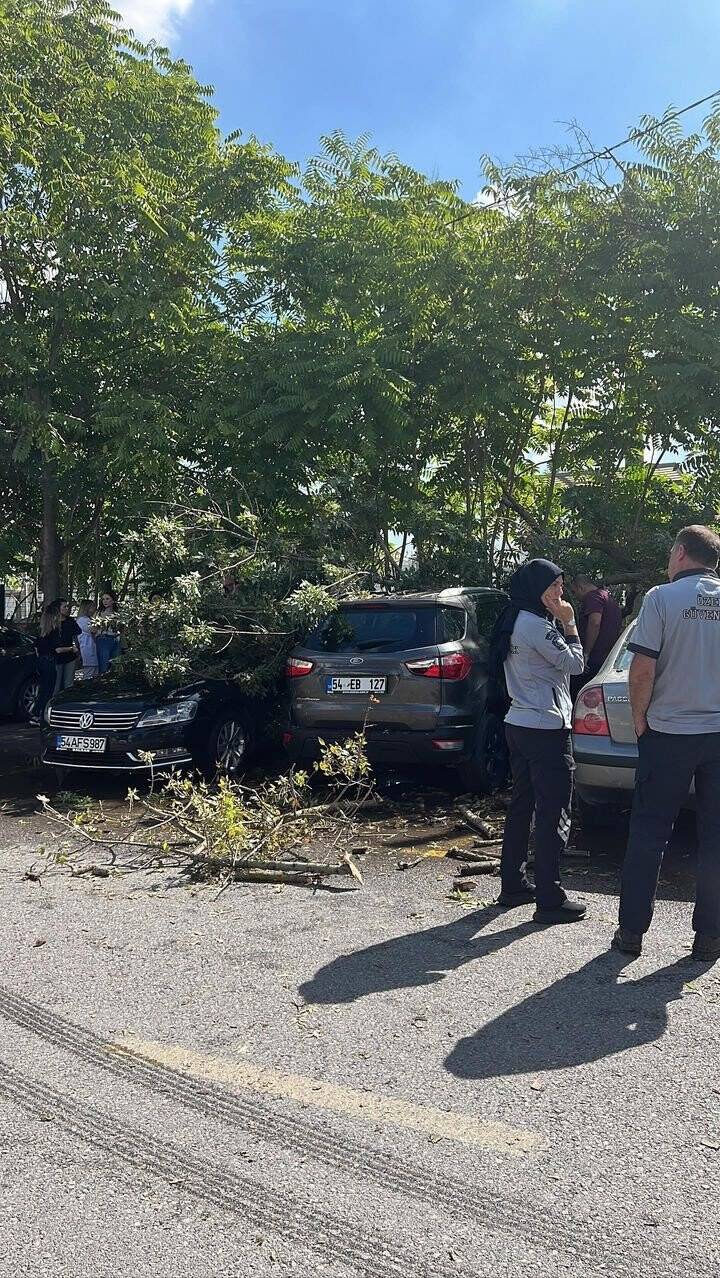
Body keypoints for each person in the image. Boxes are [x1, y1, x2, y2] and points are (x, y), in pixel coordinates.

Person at [614, 524, 720, 962]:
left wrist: (639, 719)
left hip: (669, 734)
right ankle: (710, 937)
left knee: (649, 833)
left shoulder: (661, 598)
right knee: (715, 838)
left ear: (680, 552)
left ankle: (632, 933)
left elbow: (642, 670)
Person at [489, 559, 587, 924]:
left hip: (519, 723)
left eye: (562, 586)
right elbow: (576, 664)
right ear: (536, 591)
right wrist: (571, 622)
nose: (561, 594)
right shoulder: (535, 625)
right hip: (546, 728)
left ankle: (512, 883)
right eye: (554, 588)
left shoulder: (517, 618)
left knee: (522, 806)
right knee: (553, 811)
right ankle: (550, 898)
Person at [571, 574, 623, 682]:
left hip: (593, 659)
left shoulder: (593, 597)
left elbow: (594, 622)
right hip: (607, 658)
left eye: (574, 592)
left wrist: (586, 653)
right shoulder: (608, 598)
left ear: (581, 587)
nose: (575, 596)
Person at [33, 601, 61, 723]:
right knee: (48, 689)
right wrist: (71, 648)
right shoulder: (54, 631)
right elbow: (57, 649)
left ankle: (36, 713)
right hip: (49, 660)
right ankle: (42, 715)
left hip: (41, 660)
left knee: (43, 688)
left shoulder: (40, 632)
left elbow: (36, 647)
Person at [53, 598, 81, 691]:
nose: (66, 609)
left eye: (67, 606)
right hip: (56, 657)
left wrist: (77, 650)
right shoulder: (52, 622)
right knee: (56, 685)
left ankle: (68, 704)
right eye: (64, 607)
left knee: (68, 684)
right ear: (58, 608)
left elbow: (76, 636)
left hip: (70, 656)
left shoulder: (70, 621)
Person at [96, 589, 120, 673]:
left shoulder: (118, 613)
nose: (105, 601)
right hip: (103, 639)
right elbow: (91, 629)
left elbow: (122, 630)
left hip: (116, 639)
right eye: (103, 599)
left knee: (116, 664)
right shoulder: (99, 613)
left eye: (107, 599)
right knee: (104, 665)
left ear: (113, 600)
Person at [76, 600, 99, 679]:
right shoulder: (83, 620)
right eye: (92, 607)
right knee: (89, 673)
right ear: (87, 608)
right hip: (88, 649)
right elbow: (94, 630)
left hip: (92, 648)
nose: (95, 609)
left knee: (95, 673)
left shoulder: (88, 619)